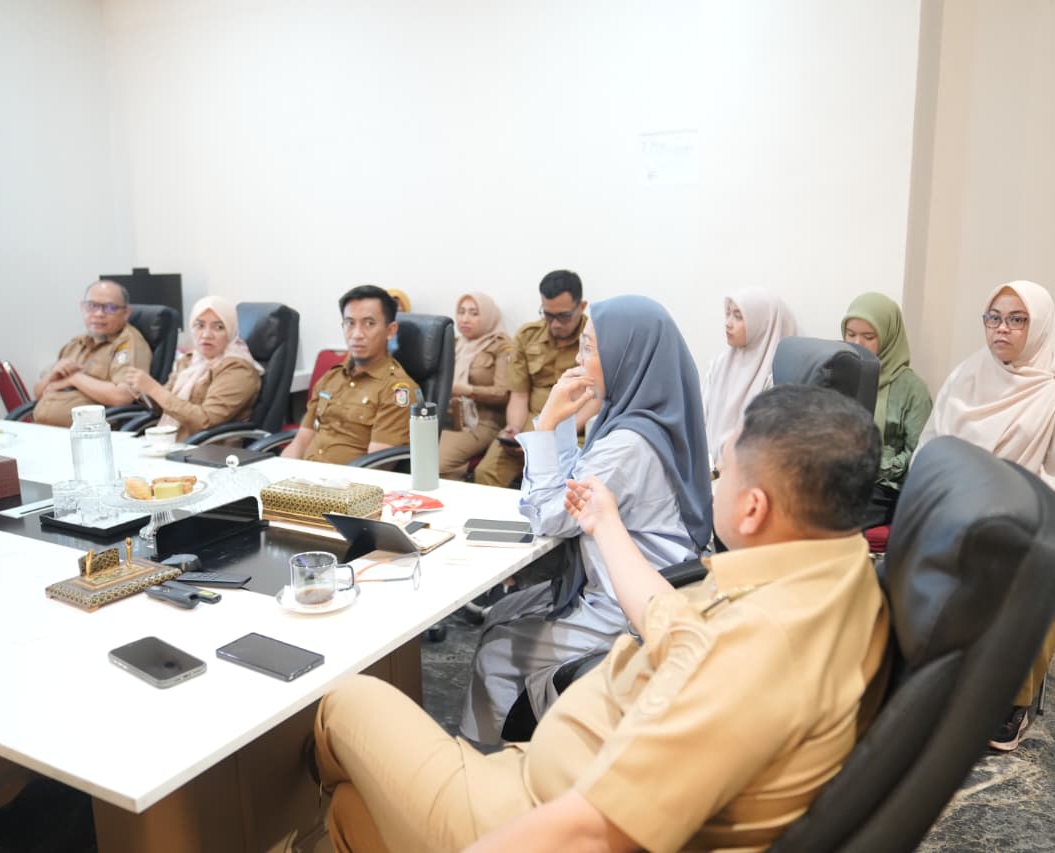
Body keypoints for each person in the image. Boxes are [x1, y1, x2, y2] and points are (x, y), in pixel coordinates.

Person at [311, 384, 889, 852]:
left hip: (533, 808)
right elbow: (674, 625)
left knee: (343, 700)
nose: (714, 482)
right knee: (351, 811)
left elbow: (592, 834)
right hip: (561, 770)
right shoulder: (829, 570)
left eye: (724, 472)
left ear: (753, 508)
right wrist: (606, 524)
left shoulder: (760, 650)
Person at [459, 294, 713, 744]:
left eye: (590, 348)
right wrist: (560, 426)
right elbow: (572, 484)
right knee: (503, 612)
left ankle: (493, 759)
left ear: (625, 356)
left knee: (497, 650)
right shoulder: (648, 416)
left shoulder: (628, 444)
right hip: (653, 587)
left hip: (623, 605)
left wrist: (547, 423)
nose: (578, 360)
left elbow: (550, 516)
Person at [918, 279, 1055, 752]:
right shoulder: (968, 376)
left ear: (1039, 325)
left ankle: (1012, 697)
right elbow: (934, 450)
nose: (1001, 329)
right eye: (994, 317)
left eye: (1017, 319)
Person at [473, 270, 594, 488]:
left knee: (567, 484)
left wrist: (547, 437)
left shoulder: (593, 339)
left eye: (564, 316)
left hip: (574, 429)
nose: (555, 324)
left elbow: (596, 398)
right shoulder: (527, 336)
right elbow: (519, 395)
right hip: (530, 424)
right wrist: (515, 429)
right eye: (548, 315)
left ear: (582, 306)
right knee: (486, 473)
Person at [283, 286, 418, 464]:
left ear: (390, 330)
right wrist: (280, 473)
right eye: (350, 323)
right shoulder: (330, 378)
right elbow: (301, 440)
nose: (356, 334)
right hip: (303, 475)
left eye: (369, 323)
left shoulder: (397, 390)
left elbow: (378, 465)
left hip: (347, 480)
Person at [841, 292, 932, 528]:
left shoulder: (911, 389)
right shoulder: (841, 375)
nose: (857, 344)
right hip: (841, 479)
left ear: (889, 338)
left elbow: (919, 453)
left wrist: (875, 466)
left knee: (834, 518)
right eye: (850, 334)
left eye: (868, 337)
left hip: (883, 489)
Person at [121, 296, 263, 441]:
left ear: (231, 331)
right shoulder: (189, 360)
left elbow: (206, 421)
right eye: (200, 325)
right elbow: (164, 407)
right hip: (170, 441)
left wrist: (153, 389)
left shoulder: (238, 370)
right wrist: (144, 393)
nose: (206, 335)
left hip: (206, 448)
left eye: (218, 327)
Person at [31, 280, 151, 426]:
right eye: (92, 306)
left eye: (110, 308)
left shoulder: (128, 344)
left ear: (126, 313)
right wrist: (52, 375)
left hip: (90, 433)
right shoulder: (76, 344)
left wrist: (74, 379)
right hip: (44, 428)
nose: (99, 314)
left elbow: (122, 396)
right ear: (82, 307)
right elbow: (37, 393)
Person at [701, 287, 796, 463]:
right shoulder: (719, 365)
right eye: (728, 314)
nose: (728, 323)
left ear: (763, 324)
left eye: (738, 317)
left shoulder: (775, 375)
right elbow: (701, 419)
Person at [438, 292, 511, 479]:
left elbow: (503, 393)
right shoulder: (454, 344)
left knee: (437, 465)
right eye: (461, 312)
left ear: (488, 316)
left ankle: (468, 469)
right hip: (449, 418)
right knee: (417, 457)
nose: (465, 319)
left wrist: (469, 391)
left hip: (483, 423)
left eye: (473, 313)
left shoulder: (501, 346)